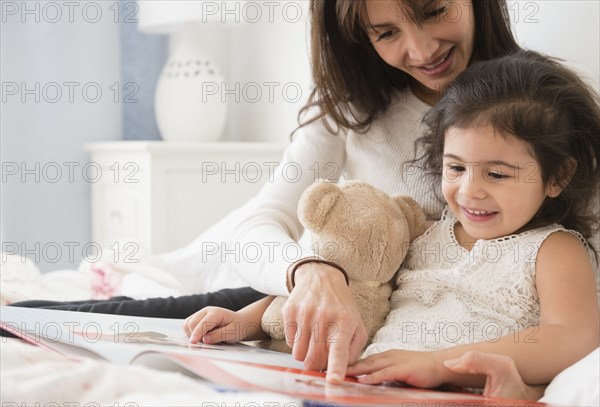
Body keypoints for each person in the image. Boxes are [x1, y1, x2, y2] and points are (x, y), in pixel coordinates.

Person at [8, 0, 524, 380]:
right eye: (386, 32)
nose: (420, 49)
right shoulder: (353, 105)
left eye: (434, 11)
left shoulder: (537, 107)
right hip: (294, 287)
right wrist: (311, 272)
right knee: (74, 321)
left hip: (390, 312)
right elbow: (256, 225)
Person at [182, 50, 600, 397]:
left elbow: (572, 337)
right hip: (370, 387)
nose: (470, 191)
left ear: (558, 176)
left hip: (453, 392)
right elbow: (359, 289)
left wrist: (439, 365)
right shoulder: (423, 235)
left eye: (497, 174)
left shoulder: (553, 248)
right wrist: (248, 320)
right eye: (455, 168)